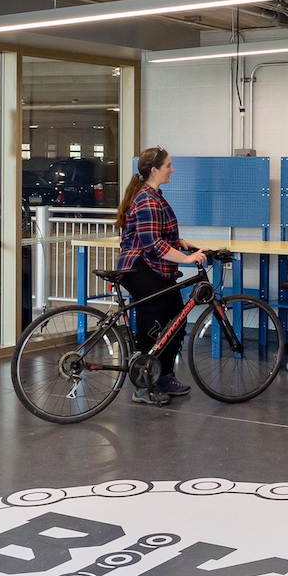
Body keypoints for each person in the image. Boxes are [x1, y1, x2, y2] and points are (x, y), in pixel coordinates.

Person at [114, 147, 207, 404]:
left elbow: (164, 235)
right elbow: (153, 245)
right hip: (138, 267)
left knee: (176, 319)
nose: (172, 169)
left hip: (152, 266)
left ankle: (164, 375)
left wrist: (185, 244)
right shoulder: (146, 200)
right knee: (154, 322)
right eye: (168, 165)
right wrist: (187, 259)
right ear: (154, 170)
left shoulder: (156, 197)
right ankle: (143, 386)